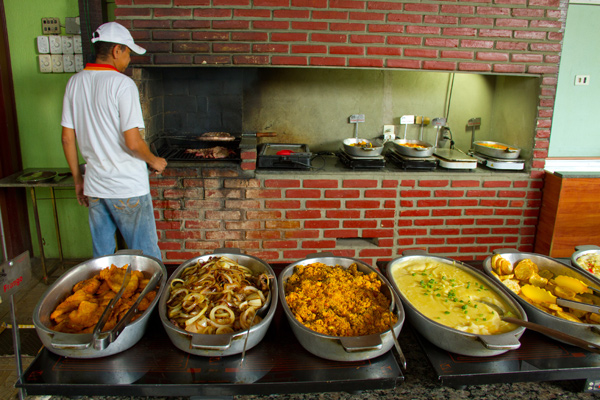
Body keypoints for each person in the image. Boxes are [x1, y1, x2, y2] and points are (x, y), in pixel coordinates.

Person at [61, 22, 167, 260]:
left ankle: (107, 297)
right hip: (127, 185)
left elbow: (67, 139)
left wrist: (79, 180)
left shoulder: (74, 83)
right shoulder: (122, 84)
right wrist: (154, 161)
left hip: (95, 185)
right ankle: (154, 296)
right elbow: (132, 142)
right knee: (146, 254)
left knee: (102, 258)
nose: (129, 59)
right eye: (128, 52)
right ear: (116, 50)